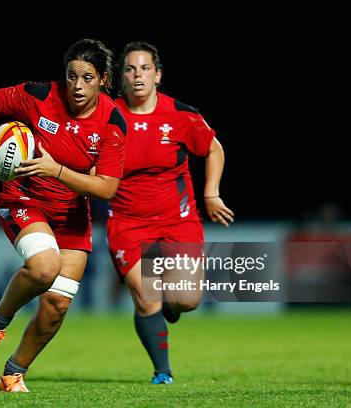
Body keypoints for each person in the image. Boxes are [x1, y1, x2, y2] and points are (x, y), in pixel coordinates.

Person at [0, 39, 126, 392]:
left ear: (103, 79)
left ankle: (13, 373)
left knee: (56, 305)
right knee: (44, 267)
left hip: (72, 213)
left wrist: (55, 170)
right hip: (24, 199)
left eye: (87, 78)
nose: (77, 85)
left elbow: (105, 189)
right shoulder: (40, 95)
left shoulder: (113, 122)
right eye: (71, 75)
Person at [106, 42, 234, 384]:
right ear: (121, 76)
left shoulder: (179, 115)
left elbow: (213, 148)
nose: (137, 76)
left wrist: (211, 194)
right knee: (147, 297)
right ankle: (162, 371)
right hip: (127, 222)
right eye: (130, 69)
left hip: (178, 221)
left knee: (186, 300)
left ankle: (170, 306)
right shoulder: (107, 116)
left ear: (157, 75)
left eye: (145, 68)